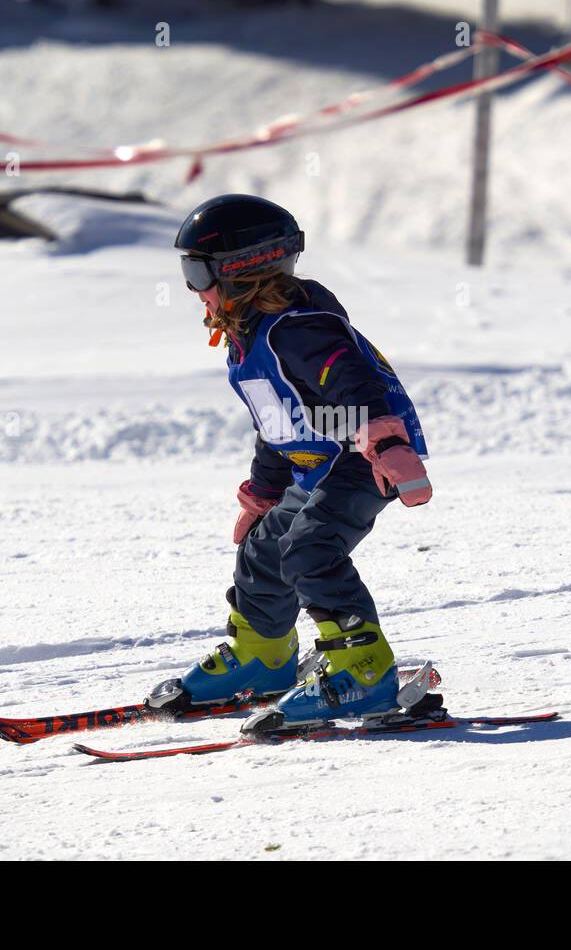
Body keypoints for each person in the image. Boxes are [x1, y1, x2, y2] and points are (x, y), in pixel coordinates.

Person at [149, 193, 431, 728]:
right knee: (265, 550)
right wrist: (264, 492)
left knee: (309, 550)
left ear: (237, 270)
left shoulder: (298, 328)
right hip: (318, 462)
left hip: (363, 459)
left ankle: (364, 673)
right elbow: (277, 424)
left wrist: (387, 443)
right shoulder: (249, 334)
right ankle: (264, 657)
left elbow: (353, 380)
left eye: (195, 271)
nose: (192, 288)